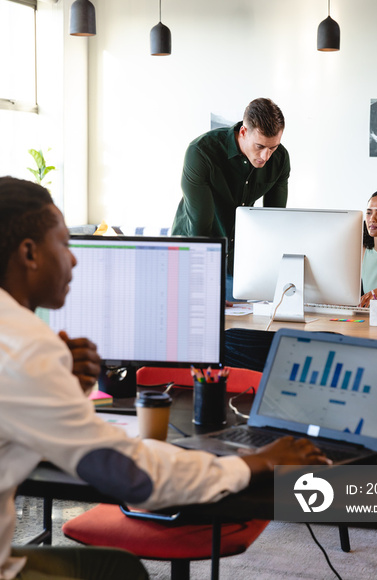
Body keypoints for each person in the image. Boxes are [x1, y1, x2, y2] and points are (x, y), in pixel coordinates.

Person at [0, 176, 329, 580]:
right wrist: (254, 463)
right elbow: (132, 476)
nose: (74, 260)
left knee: (113, 566)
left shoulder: (18, 341)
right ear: (29, 253)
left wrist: (63, 382)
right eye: (65, 243)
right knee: (119, 572)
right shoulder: (27, 346)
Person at [171, 98, 290, 296]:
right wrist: (203, 285)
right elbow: (201, 227)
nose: (266, 156)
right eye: (260, 146)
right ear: (243, 132)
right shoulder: (201, 152)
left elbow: (274, 221)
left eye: (273, 147)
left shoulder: (280, 159)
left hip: (238, 264)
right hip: (192, 253)